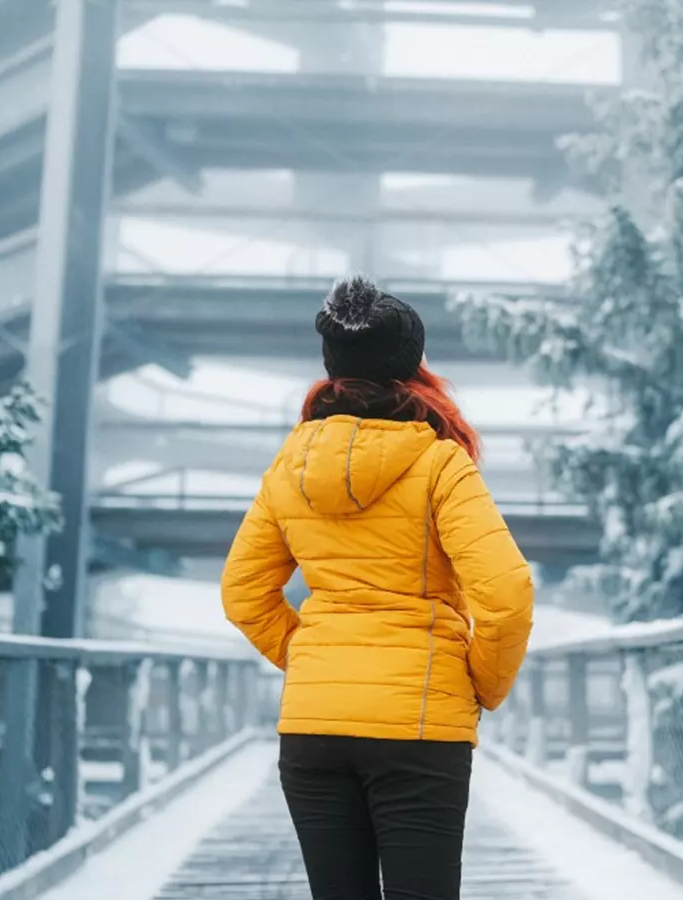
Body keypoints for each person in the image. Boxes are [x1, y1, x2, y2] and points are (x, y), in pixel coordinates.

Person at [220, 275, 535, 900]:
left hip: (314, 728)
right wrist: (479, 685)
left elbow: (242, 592)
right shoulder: (440, 462)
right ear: (412, 370)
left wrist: (315, 659)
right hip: (420, 728)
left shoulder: (290, 465)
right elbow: (506, 594)